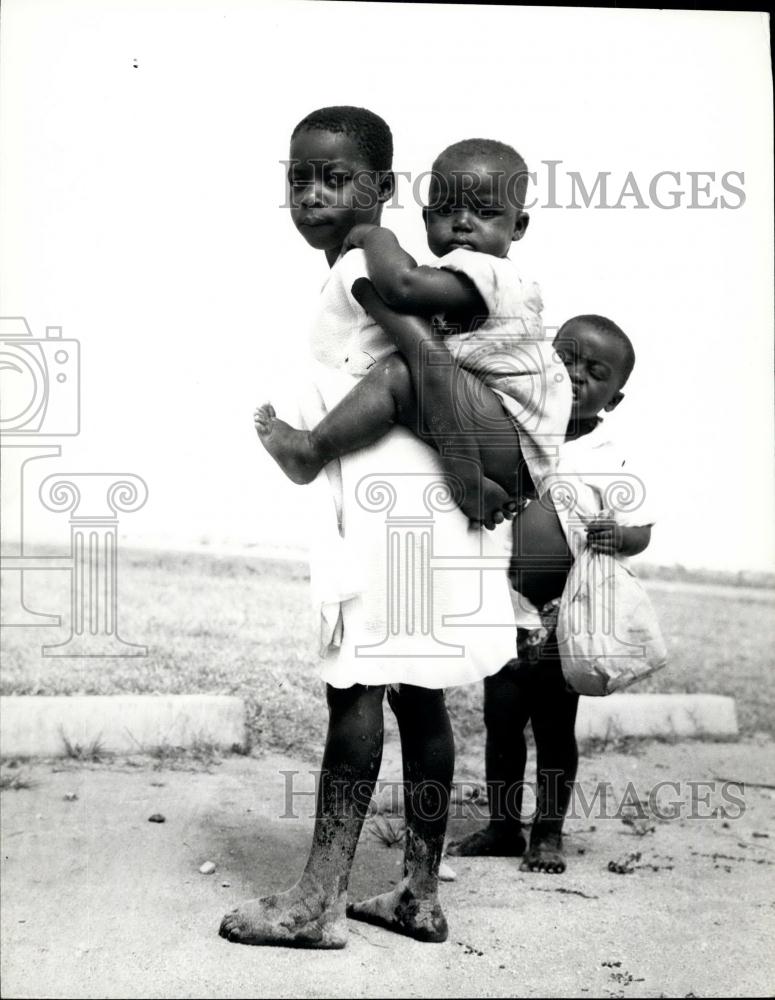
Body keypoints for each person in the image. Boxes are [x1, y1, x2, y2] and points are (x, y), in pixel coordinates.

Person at [220, 107, 519, 949]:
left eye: (337, 178)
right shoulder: (373, 262)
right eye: (299, 177)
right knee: (421, 699)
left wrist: (462, 471)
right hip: (423, 508)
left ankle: (317, 904)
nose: (313, 193)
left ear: (383, 189)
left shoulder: (362, 261)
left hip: (396, 506)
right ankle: (417, 896)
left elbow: (425, 363)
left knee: (353, 692)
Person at [254, 137, 571, 530]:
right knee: (412, 377)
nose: (462, 222)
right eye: (445, 210)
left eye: (486, 211)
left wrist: (376, 238)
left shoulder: (493, 275)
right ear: (425, 220)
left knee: (400, 372)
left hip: (511, 437)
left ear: (518, 226)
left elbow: (401, 284)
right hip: (501, 441)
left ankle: (310, 449)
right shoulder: (457, 276)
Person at [447, 314, 655, 873]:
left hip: (565, 618)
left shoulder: (609, 454)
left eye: (595, 371)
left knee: (555, 731)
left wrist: (621, 537)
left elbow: (642, 529)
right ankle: (501, 825)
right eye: (564, 358)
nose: (575, 374)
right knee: (500, 722)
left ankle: (548, 832)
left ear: (614, 397)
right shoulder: (515, 428)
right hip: (506, 609)